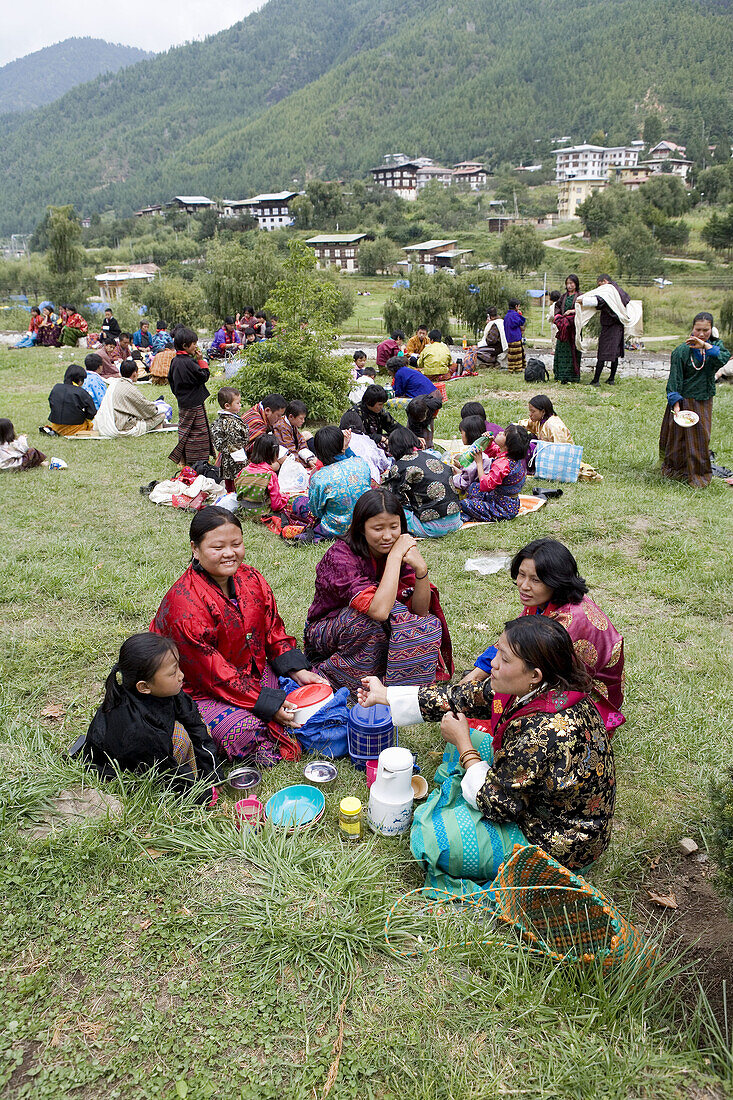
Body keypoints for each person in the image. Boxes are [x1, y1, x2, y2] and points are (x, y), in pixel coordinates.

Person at [359, 615, 615, 895]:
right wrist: (385, 695)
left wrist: (465, 748)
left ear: (534, 674)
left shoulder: (542, 733)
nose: (492, 664)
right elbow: (460, 697)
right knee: (469, 734)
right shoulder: (551, 687)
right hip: (538, 796)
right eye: (498, 651)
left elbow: (497, 804)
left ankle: (463, 805)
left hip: (559, 842)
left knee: (430, 841)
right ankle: (463, 789)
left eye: (504, 659)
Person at [151, 507, 325, 763]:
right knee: (243, 732)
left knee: (313, 688)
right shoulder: (184, 604)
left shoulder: (251, 578)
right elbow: (212, 674)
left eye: (236, 544)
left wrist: (294, 669)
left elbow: (273, 628)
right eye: (218, 547)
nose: (230, 553)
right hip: (201, 689)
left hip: (250, 670)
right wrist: (266, 702)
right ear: (195, 549)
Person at [464, 538, 625, 731]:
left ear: (555, 581)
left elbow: (529, 673)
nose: (524, 585)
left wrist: (477, 688)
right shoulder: (544, 604)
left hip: (588, 700)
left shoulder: (568, 623)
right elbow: (512, 644)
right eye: (521, 575)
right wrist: (475, 676)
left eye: (535, 580)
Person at [304, 488, 452, 693]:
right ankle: (341, 677)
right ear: (361, 528)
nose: (388, 536)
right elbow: (379, 611)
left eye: (394, 527)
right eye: (378, 528)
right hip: (328, 630)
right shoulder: (340, 556)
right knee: (367, 623)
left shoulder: (397, 549)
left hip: (376, 623)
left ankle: (397, 687)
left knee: (425, 624)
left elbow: (420, 612)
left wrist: (421, 570)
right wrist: (394, 557)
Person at [83, 633, 224, 801]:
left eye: (178, 667)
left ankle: (200, 776)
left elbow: (196, 725)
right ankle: (197, 781)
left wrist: (213, 773)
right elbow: (167, 774)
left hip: (154, 751)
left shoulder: (168, 691)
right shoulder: (140, 730)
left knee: (201, 728)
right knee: (181, 739)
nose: (181, 675)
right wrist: (203, 795)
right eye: (173, 673)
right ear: (144, 687)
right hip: (126, 768)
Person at [659, 312, 731, 488]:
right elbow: (674, 380)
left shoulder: (715, 347)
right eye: (698, 329)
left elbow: (723, 358)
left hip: (704, 400)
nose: (701, 333)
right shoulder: (681, 351)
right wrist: (675, 404)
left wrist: (704, 345)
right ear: (692, 328)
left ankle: (699, 477)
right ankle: (675, 472)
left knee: (700, 439)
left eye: (705, 330)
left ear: (711, 329)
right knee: (677, 439)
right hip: (684, 401)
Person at [383, 427, 462, 538]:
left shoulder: (399, 467)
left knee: (391, 511)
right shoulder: (432, 457)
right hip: (456, 520)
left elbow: (393, 500)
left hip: (432, 528)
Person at [307, 426, 372, 539]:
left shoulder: (318, 478)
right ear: (342, 445)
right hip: (365, 523)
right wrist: (345, 447)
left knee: (299, 503)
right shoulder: (361, 463)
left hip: (335, 529)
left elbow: (316, 511)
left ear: (317, 451)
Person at [459, 424, 529, 522]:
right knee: (474, 486)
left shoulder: (503, 464)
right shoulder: (509, 457)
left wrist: (479, 463)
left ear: (507, 445)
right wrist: (488, 443)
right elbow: (494, 451)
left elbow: (486, 485)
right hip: (508, 501)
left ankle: (472, 510)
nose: (500, 432)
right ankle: (476, 505)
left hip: (502, 508)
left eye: (504, 434)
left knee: (464, 504)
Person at [167, 326, 214, 465]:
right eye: (194, 344)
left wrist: (179, 395)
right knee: (199, 432)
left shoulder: (175, 361)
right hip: (195, 403)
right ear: (185, 345)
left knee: (185, 430)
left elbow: (171, 381)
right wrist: (201, 360)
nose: (196, 346)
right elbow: (204, 376)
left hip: (183, 403)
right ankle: (198, 460)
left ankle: (183, 458)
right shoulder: (190, 362)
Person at [581, 275, 630, 385]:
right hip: (619, 325)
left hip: (610, 325)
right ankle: (611, 379)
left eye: (600, 285)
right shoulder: (619, 290)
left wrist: (582, 301)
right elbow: (627, 299)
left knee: (602, 353)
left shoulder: (609, 290)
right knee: (615, 353)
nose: (600, 288)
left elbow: (600, 301)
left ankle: (596, 380)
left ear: (604, 281)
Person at [97, 359, 166, 435]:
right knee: (161, 415)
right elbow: (149, 410)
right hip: (122, 426)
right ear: (134, 373)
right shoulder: (130, 389)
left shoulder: (115, 384)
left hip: (107, 423)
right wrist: (158, 408)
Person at [211, 386, 250, 490]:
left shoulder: (222, 420)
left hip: (227, 458)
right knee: (236, 480)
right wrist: (242, 460)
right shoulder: (230, 422)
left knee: (229, 479)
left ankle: (230, 495)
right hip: (236, 458)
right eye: (237, 403)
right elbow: (235, 442)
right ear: (227, 405)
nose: (240, 405)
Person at [43, 363, 97, 435]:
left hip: (56, 426)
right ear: (80, 381)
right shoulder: (81, 392)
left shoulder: (56, 388)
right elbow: (92, 412)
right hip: (75, 427)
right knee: (91, 425)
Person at [338, 410, 390, 483]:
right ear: (360, 425)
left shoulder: (337, 440)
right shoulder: (367, 440)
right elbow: (384, 463)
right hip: (371, 482)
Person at [552, 275, 581, 383]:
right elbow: (557, 309)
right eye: (567, 283)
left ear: (576, 284)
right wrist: (558, 318)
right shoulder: (563, 297)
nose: (569, 285)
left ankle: (573, 377)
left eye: (571, 283)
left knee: (573, 351)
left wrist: (572, 311)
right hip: (564, 329)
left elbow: (584, 309)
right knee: (562, 351)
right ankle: (561, 376)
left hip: (574, 329)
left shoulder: (580, 297)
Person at [274, 400, 316, 467]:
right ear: (291, 416)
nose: (303, 421)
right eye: (301, 418)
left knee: (307, 434)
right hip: (283, 454)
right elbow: (291, 451)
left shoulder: (292, 423)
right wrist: (307, 463)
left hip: (292, 448)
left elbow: (301, 441)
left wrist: (309, 458)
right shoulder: (282, 427)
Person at [358, 384, 399, 449]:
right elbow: (357, 438)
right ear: (370, 402)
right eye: (379, 404)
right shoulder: (355, 414)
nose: (381, 407)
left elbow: (394, 427)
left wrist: (412, 436)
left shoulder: (380, 412)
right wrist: (381, 438)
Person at [504, 300, 526, 374]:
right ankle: (517, 368)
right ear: (516, 306)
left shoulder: (507, 315)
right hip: (515, 337)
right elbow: (521, 321)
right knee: (517, 354)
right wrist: (519, 314)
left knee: (511, 353)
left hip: (509, 337)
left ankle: (511, 368)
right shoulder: (514, 315)